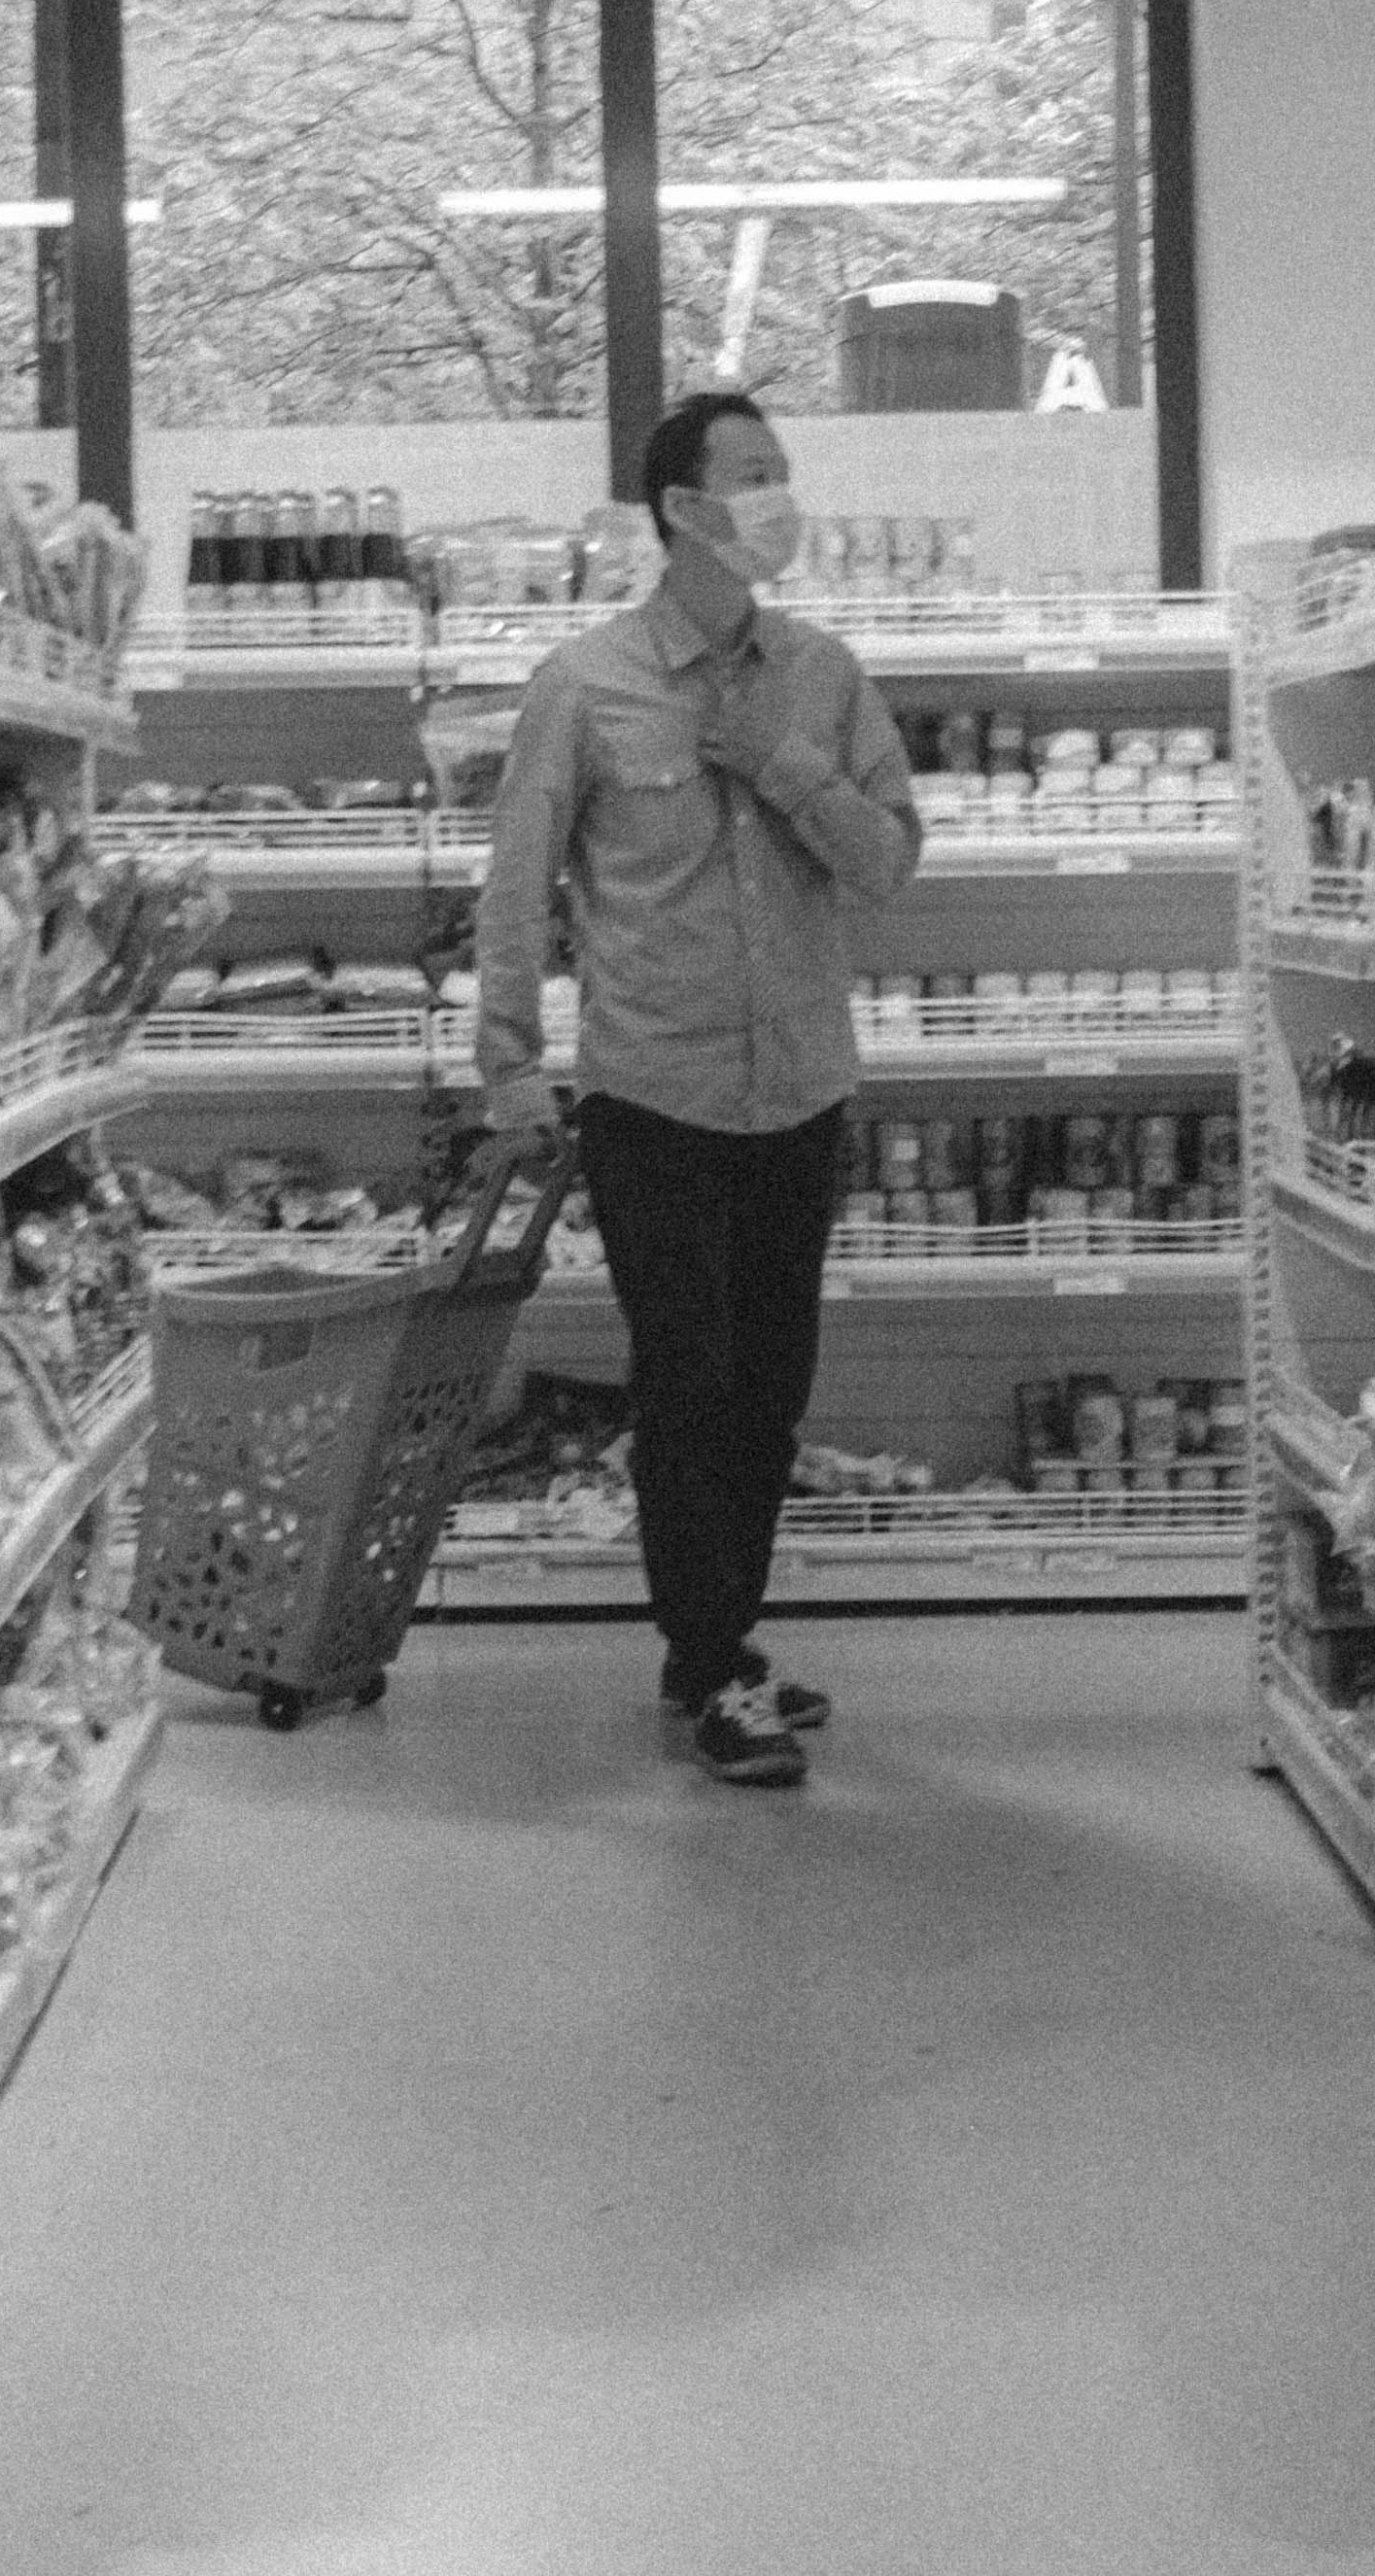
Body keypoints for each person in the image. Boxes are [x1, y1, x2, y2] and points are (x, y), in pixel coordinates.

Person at [471, 391, 921, 1785]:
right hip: (650, 1092)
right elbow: (515, 884)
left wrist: (781, 765)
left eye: (784, 471)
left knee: (771, 1387)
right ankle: (714, 1660)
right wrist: (509, 1069)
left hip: (799, 1086)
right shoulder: (587, 681)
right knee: (689, 1380)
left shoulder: (825, 677)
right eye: (752, 475)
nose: (780, 496)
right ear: (681, 509)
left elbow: (890, 861)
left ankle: (709, 1650)